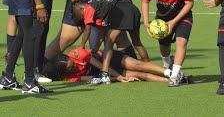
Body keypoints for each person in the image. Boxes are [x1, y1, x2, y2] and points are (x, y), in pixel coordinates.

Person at [0, 0, 63, 94]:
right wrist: (40, 6)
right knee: (30, 34)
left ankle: (8, 77)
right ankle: (29, 82)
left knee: (22, 34)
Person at [140, 0, 195, 87]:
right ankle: (167, 66)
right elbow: (145, 0)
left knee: (181, 43)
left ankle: (175, 76)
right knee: (164, 47)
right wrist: (146, 22)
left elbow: (189, 3)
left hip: (182, 16)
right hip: (163, 17)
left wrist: (174, 21)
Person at [71, 0, 149, 84]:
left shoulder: (88, 7)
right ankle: (147, 66)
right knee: (137, 42)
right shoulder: (100, 10)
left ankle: (104, 74)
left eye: (80, 16)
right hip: (133, 9)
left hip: (121, 9)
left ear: (81, 8)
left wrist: (82, 46)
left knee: (109, 41)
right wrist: (94, 50)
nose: (82, 19)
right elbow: (101, 35)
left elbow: (87, 29)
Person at [42, 48, 180, 83]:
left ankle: (171, 73)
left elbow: (102, 66)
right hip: (106, 74)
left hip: (108, 59)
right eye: (71, 68)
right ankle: (171, 80)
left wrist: (118, 76)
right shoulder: (70, 79)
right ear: (65, 72)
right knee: (139, 75)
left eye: (72, 64)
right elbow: (97, 78)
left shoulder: (77, 53)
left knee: (138, 65)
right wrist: (119, 78)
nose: (74, 67)